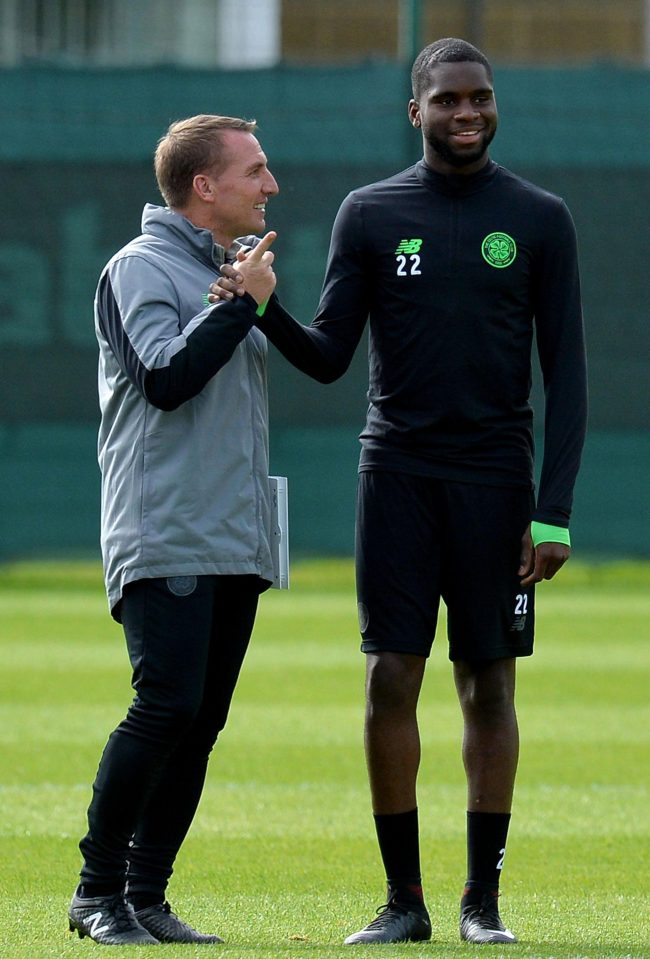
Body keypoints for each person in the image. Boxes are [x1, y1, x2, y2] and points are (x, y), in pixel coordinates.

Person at [211, 39, 587, 946]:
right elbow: (333, 357)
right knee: (391, 676)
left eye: (481, 99)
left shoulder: (540, 217)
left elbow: (566, 373)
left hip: (498, 486)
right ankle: (403, 902)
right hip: (398, 477)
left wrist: (553, 508)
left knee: (489, 685)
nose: (468, 115)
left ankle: (482, 903)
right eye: (449, 101)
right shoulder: (370, 214)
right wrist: (261, 307)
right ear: (414, 112)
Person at [68, 114, 280, 945]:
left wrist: (243, 295)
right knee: (163, 708)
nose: (270, 185)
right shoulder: (137, 267)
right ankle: (95, 894)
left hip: (234, 537)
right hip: (167, 534)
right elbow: (164, 377)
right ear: (205, 186)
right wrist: (239, 306)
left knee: (200, 721)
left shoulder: (232, 272)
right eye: (256, 170)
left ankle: (145, 895)